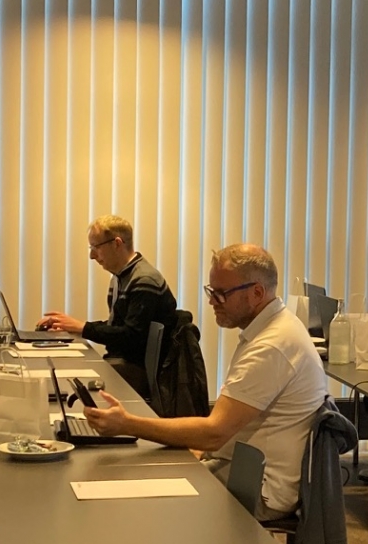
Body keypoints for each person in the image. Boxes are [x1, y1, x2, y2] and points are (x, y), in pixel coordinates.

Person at [83, 244, 326, 519]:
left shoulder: (272, 346)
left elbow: (214, 433)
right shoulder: (273, 329)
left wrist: (127, 424)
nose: (212, 302)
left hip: (258, 487)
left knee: (139, 497)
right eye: (211, 291)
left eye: (221, 294)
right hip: (240, 466)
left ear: (257, 293)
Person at [37, 215, 179, 395]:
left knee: (66, 380)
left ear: (117, 243)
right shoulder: (121, 277)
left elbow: (131, 337)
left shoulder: (144, 280)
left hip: (135, 369)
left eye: (96, 247)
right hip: (123, 363)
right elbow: (118, 327)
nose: (92, 256)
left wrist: (84, 328)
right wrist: (74, 327)